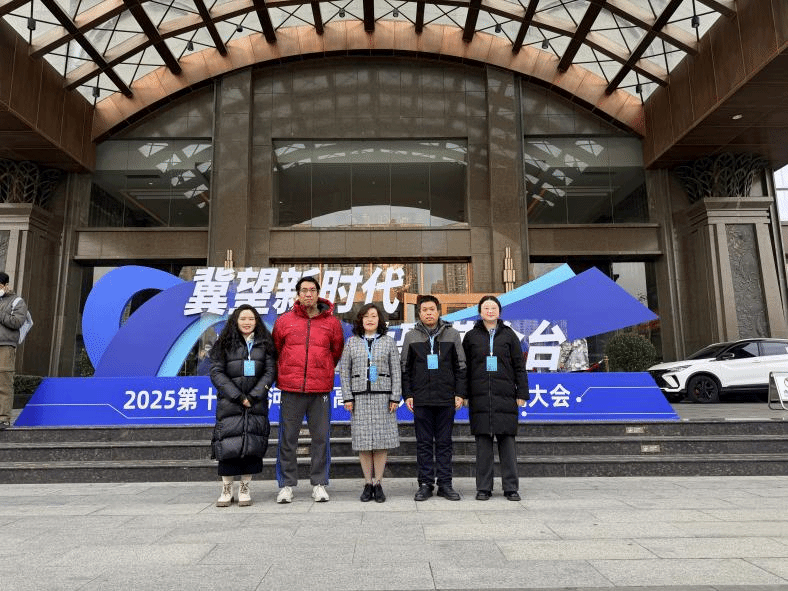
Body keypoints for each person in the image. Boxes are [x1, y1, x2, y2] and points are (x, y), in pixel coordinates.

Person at [273, 276, 344, 503]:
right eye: (304, 290)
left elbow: (336, 352)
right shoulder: (284, 321)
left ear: (318, 293)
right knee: (288, 439)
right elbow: (277, 350)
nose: (308, 294)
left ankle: (319, 484)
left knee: (321, 438)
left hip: (320, 389)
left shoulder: (331, 323)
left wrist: (321, 369)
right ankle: (286, 485)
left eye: (312, 290)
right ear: (298, 294)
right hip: (291, 388)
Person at [209, 304, 276, 507]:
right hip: (230, 403)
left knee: (252, 445)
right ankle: (226, 488)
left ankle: (245, 487)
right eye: (243, 319)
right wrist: (238, 396)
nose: (247, 322)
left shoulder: (265, 343)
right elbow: (216, 372)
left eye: (251, 319)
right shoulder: (224, 343)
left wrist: (253, 396)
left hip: (256, 403)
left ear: (257, 322)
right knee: (228, 444)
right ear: (235, 321)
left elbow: (270, 372)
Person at [462, 295, 529, 501]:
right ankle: (484, 488)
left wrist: (522, 393)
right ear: (480, 311)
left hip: (505, 396)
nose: (490, 311)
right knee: (483, 446)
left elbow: (519, 366)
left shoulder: (509, 335)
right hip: (479, 396)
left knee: (507, 444)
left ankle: (511, 488)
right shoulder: (471, 336)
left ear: (499, 312)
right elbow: (464, 369)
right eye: (486, 308)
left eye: (493, 308)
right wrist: (464, 394)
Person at [401, 294, 466, 501]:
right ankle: (425, 484)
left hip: (446, 398)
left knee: (445, 443)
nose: (428, 313)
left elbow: (461, 366)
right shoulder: (411, 336)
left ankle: (445, 484)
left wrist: (460, 393)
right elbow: (405, 368)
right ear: (419, 313)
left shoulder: (452, 334)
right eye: (424, 310)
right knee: (424, 443)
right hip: (421, 399)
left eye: (432, 309)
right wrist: (408, 394)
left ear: (438, 311)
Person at [339, 303, 401, 503]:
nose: (370, 319)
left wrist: (395, 397)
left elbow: (396, 371)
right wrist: (348, 397)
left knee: (381, 443)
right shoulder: (352, 343)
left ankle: (378, 483)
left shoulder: (388, 342)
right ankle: (367, 483)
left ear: (379, 319)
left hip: (383, 397)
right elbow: (344, 372)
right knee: (363, 443)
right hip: (359, 398)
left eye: (373, 316)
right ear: (360, 320)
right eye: (366, 316)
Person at [0, 272, 29, 430]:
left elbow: (17, 322)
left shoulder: (17, 301)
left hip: (5, 346)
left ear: (6, 285)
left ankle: (3, 418)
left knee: (3, 383)